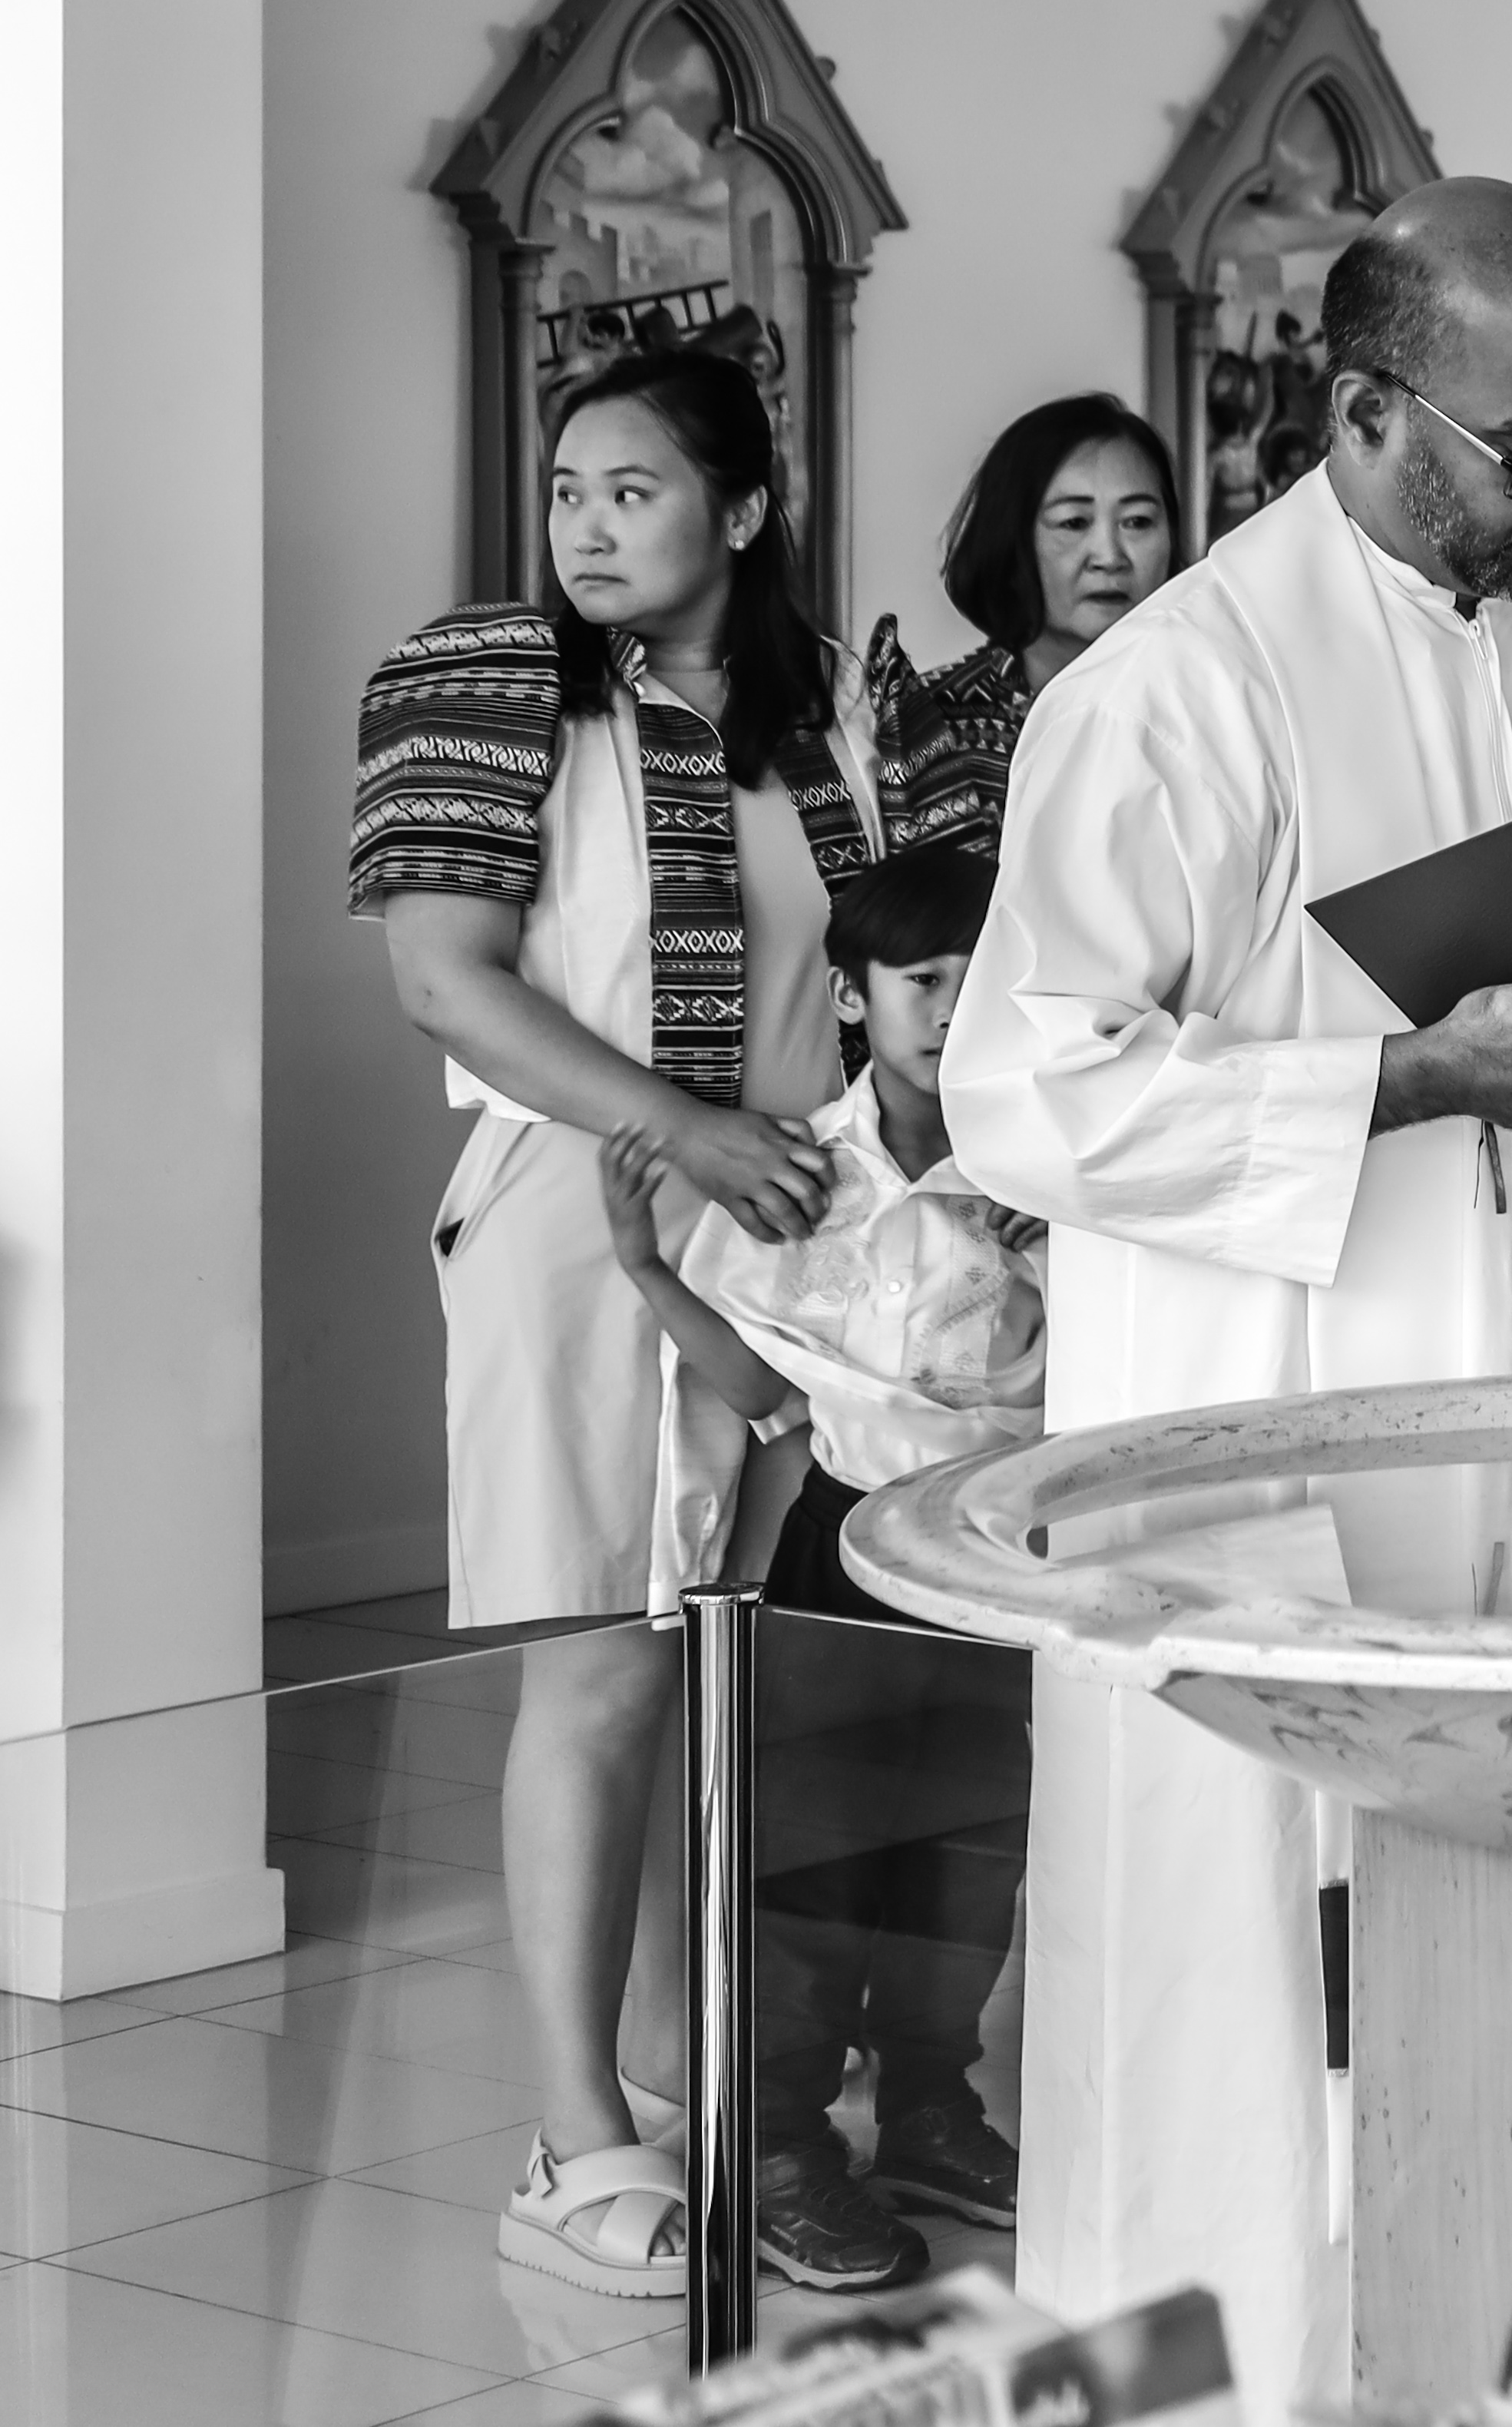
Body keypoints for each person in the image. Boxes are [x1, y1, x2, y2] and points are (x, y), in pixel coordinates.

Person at [942, 178, 1512, 2405]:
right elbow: (1025, 1086)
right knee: (1235, 1970)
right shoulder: (1178, 687)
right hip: (1265, 1452)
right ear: (1362, 411)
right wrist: (1403, 1079)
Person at [352, 346, 885, 2296]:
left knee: (756, 1671)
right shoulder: (490, 681)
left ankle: (708, 2081)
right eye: (568, 487)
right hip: (579, 1215)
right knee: (593, 1671)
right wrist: (686, 1126)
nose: (585, 524)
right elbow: (445, 980)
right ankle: (576, 2133)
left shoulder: (837, 708)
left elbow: (890, 967)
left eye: (633, 488)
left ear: (740, 507)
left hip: (798, 1229)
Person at [594, 841, 1041, 2295]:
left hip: (997, 1563)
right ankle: (779, 2146)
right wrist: (645, 1265)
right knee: (811, 1860)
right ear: (853, 995)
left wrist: (1061, 1242)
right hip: (841, 1558)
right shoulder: (803, 1170)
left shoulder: (1049, 1175)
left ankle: (929, 2108)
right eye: (922, 977)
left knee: (967, 1856)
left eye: (984, 977)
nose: (953, 1006)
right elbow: (762, 1392)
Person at [865, 393, 1181, 856]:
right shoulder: (933, 725)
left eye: (1137, 521)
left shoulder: (1213, 710)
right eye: (1073, 522)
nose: (1110, 556)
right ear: (1012, 540)